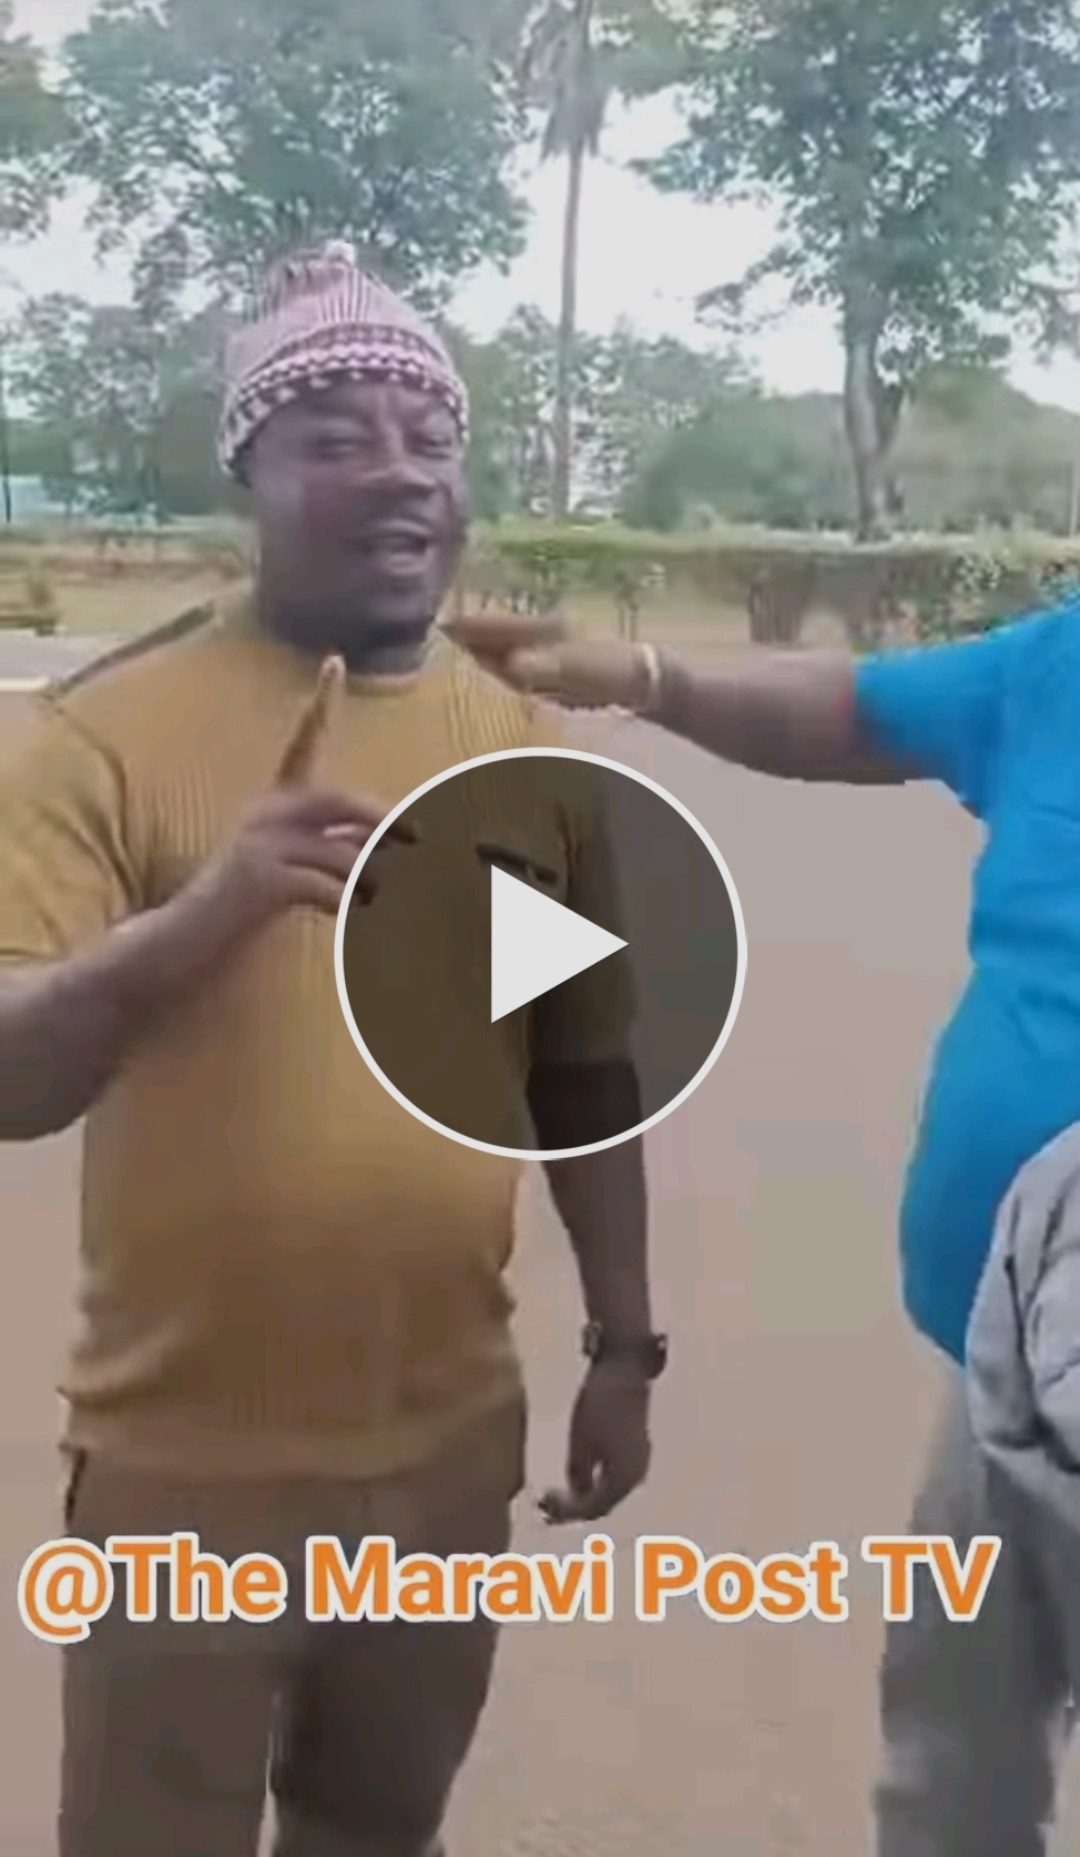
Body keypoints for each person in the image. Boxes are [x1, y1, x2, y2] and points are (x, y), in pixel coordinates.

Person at [0, 244, 666, 1857]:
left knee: (378, 1832)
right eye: (336, 435)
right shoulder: (99, 737)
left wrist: (626, 1346)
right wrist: (214, 908)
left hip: (446, 1450)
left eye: (428, 437)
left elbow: (579, 1068)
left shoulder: (517, 740)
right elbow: (15, 1083)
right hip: (184, 1469)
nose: (399, 472)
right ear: (250, 469)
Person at [445, 607, 1080, 1855]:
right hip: (1000, 1353)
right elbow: (854, 714)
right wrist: (650, 678)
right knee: (955, 1751)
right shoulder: (1063, 666)